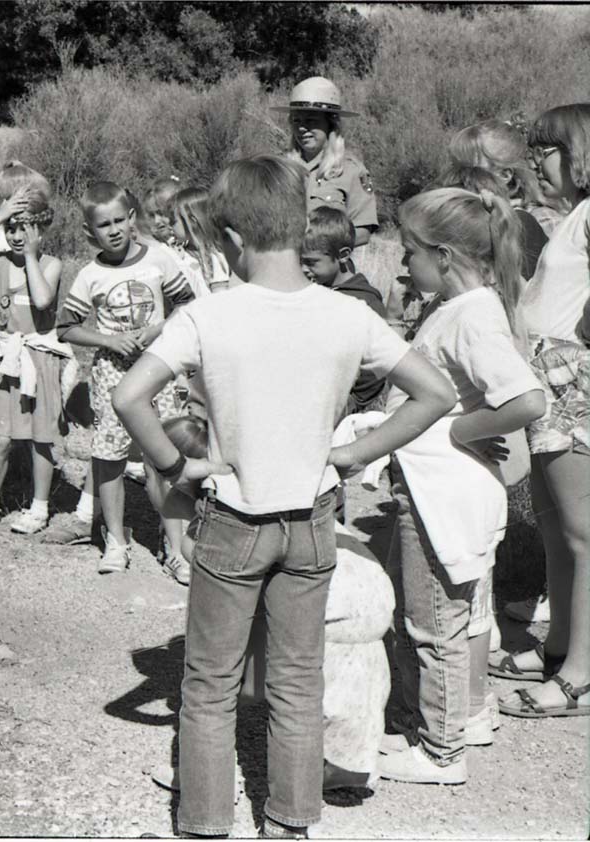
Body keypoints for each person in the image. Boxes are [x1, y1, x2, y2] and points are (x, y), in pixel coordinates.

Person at [112, 154, 454, 839]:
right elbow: (435, 394)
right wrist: (357, 451)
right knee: (297, 684)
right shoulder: (347, 316)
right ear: (301, 229)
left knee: (209, 687)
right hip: (313, 517)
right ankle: (291, 826)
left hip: (235, 516)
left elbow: (129, 395)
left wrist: (179, 467)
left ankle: (205, 826)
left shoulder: (209, 316)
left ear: (232, 239)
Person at [374, 188, 545, 784]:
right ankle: (441, 718)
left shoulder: (472, 315)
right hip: (431, 489)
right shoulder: (463, 307)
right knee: (440, 612)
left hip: (441, 493)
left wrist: (462, 430)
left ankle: (441, 750)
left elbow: (525, 398)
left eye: (410, 251)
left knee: (433, 621)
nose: (403, 262)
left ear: (443, 255)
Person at [147, 415, 396, 796]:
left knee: (216, 671)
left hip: (331, 596)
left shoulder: (212, 531)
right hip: (365, 585)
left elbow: (233, 615)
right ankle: (344, 765)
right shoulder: (263, 489)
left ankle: (209, 778)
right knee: (347, 677)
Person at [492, 104, 590, 720]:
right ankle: (558, 647)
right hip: (551, 379)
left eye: (549, 149)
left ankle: (582, 674)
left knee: (584, 537)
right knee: (555, 529)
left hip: (573, 380)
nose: (538, 161)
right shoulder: (575, 216)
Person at [56, 181, 195, 582]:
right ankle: (116, 539)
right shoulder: (89, 276)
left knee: (162, 455)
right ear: (89, 232)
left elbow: (186, 305)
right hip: (112, 375)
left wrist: (154, 332)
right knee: (110, 457)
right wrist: (108, 339)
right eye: (104, 225)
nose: (114, 230)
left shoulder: (159, 260)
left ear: (133, 219)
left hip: (158, 369)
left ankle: (175, 545)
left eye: (120, 220)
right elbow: (65, 326)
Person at [0, 181, 71, 535]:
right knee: (2, 437)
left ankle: (39, 508)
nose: (17, 235)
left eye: (26, 227)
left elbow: (40, 300)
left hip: (39, 359)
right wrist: (0, 215)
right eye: (12, 228)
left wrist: (32, 257)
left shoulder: (51, 264)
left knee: (41, 438)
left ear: (42, 228)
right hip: (8, 360)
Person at [301, 207, 388, 416]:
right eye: (299, 260)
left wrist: (353, 402)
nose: (303, 269)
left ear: (343, 256)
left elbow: (375, 367)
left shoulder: (363, 302)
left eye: (311, 262)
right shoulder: (312, 290)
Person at [272, 76, 378, 247]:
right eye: (296, 120)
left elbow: (363, 232)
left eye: (311, 121)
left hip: (331, 269)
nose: (302, 128)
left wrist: (317, 246)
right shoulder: (279, 169)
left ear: (330, 124)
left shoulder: (351, 170)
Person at [166, 187, 234, 295]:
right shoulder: (182, 253)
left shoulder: (214, 258)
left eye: (173, 221)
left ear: (191, 222)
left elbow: (220, 299)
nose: (169, 226)